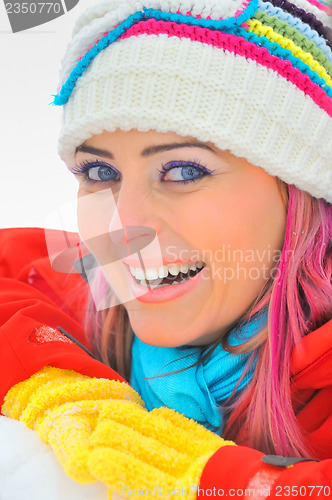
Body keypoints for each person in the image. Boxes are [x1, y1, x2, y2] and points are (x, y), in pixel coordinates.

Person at [0, 0, 332, 498]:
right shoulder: (87, 297)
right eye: (100, 173)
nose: (125, 223)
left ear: (301, 193)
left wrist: (204, 476)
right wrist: (60, 384)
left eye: (183, 171)